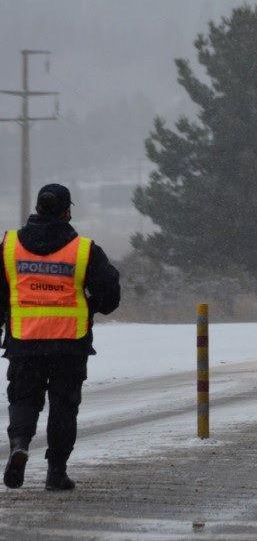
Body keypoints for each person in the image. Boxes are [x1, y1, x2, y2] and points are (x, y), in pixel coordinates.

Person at [1, 184, 120, 491]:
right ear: (66, 211)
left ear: (38, 208)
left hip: (24, 341)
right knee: (64, 406)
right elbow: (110, 294)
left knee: (24, 398)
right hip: (69, 343)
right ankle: (56, 472)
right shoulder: (84, 249)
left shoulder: (9, 245)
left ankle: (19, 444)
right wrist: (91, 306)